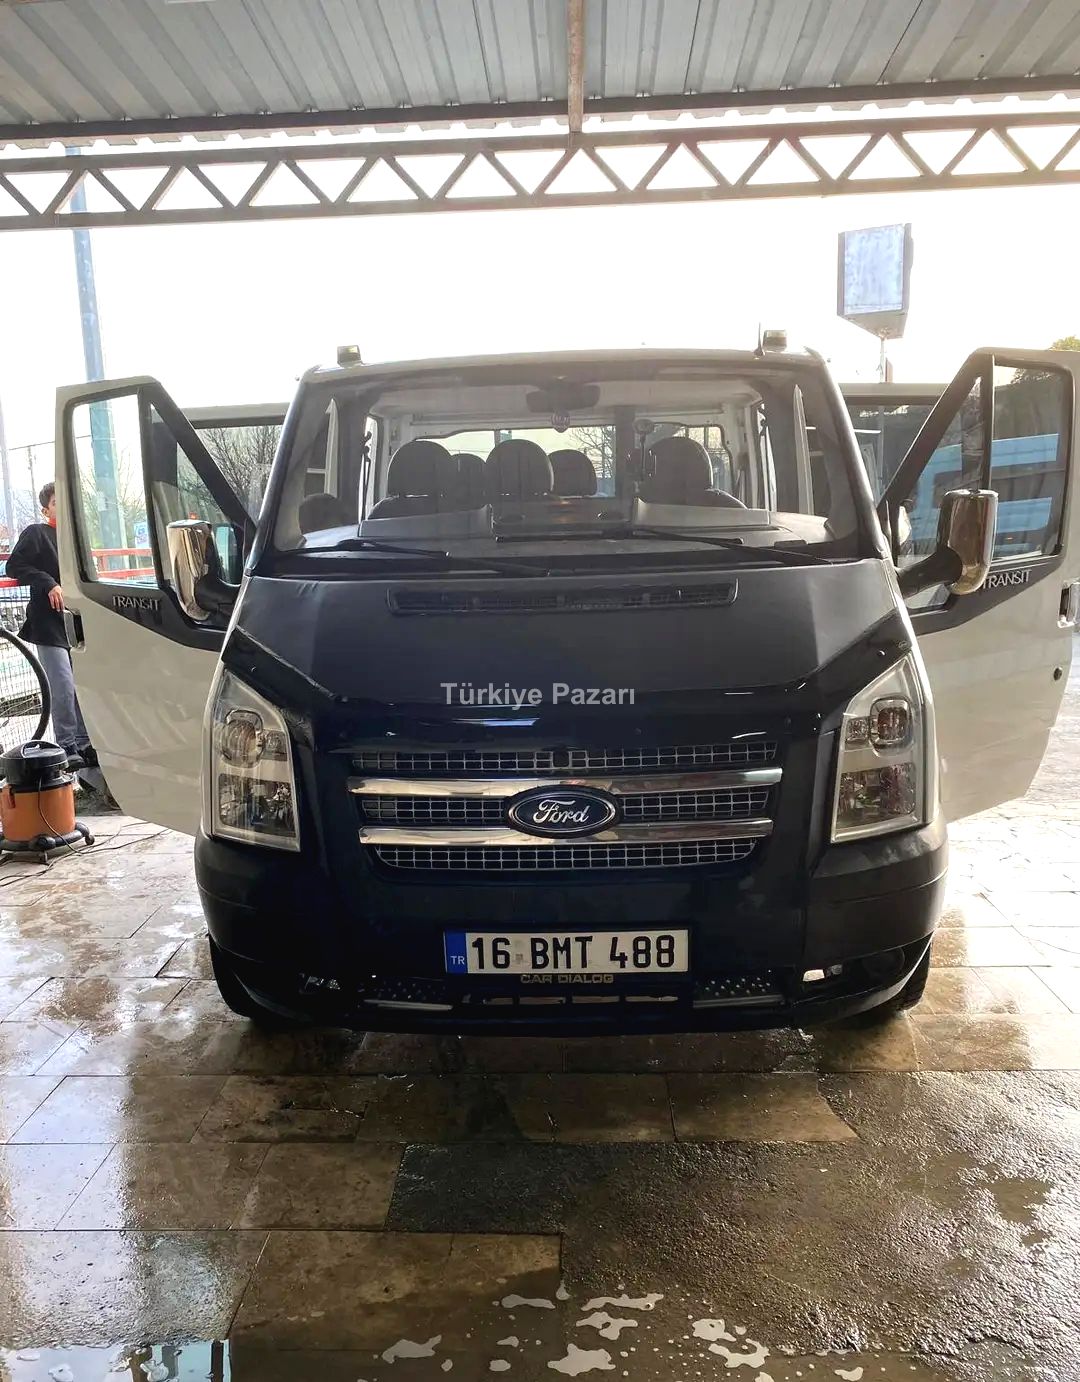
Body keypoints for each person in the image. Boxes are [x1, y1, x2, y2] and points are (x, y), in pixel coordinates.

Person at [7, 481, 97, 769]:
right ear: (46, 509)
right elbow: (14, 566)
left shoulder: (75, 540)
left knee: (83, 683)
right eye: (57, 502)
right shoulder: (37, 533)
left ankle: (84, 742)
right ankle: (66, 744)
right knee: (62, 685)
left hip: (77, 621)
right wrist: (48, 583)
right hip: (49, 622)